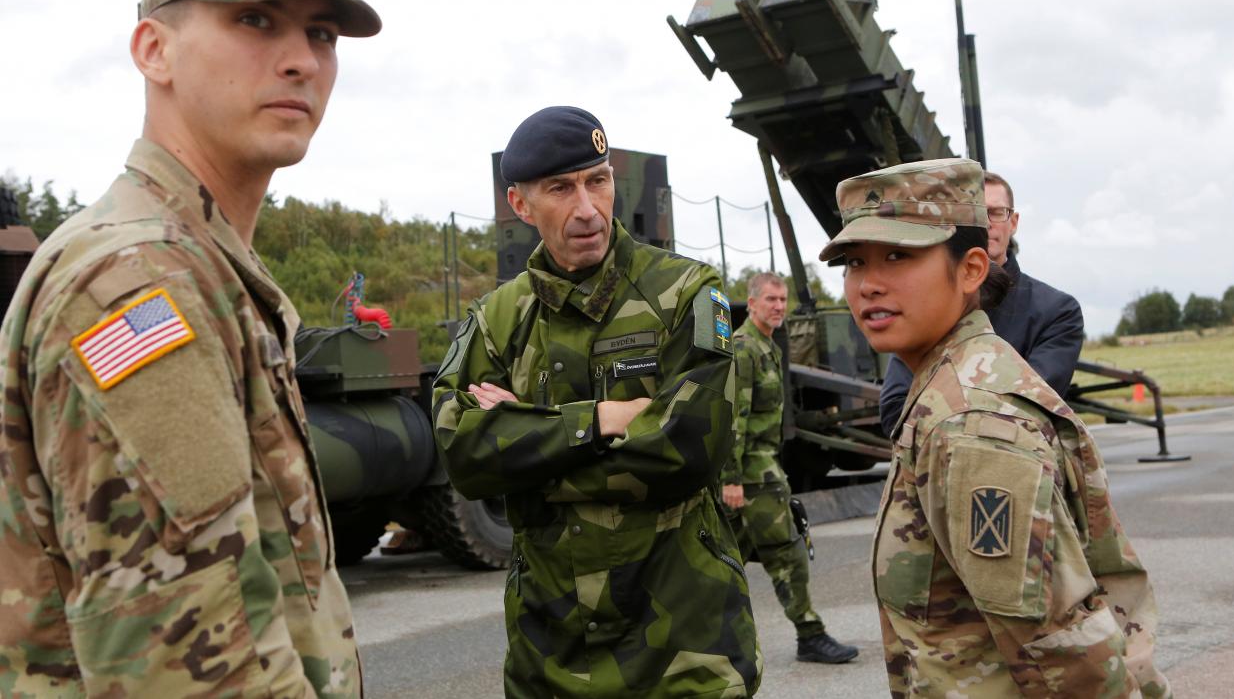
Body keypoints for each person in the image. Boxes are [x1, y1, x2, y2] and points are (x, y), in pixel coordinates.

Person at [0, 0, 380, 696]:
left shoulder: (199, 259)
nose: (301, 61)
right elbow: (194, 664)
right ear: (154, 50)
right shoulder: (138, 283)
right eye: (254, 18)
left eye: (320, 34)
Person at [432, 106, 762, 698]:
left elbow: (690, 448)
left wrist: (528, 455)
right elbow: (463, 455)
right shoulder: (498, 320)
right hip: (551, 652)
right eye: (560, 188)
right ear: (521, 205)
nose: (587, 209)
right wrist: (604, 420)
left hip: (685, 648)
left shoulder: (685, 292)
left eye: (597, 180)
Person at [820, 158, 1170, 697]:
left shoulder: (971, 425)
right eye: (853, 262)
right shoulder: (948, 382)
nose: (868, 284)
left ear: (971, 270)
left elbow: (1062, 653)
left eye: (898, 255)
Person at [877, 169, 1085, 436]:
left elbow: (1033, 404)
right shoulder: (929, 307)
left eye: (996, 212)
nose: (986, 224)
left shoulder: (1056, 311)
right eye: (975, 213)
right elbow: (895, 409)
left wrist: (939, 410)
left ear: (1014, 221)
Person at [719, 272, 858, 664]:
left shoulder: (768, 346)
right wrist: (731, 480)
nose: (779, 306)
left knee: (725, 559)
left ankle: (706, 640)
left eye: (783, 300)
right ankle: (810, 634)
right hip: (752, 475)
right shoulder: (744, 350)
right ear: (753, 302)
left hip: (765, 470)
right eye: (771, 300)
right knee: (787, 554)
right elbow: (735, 418)